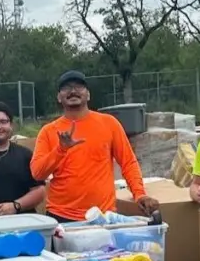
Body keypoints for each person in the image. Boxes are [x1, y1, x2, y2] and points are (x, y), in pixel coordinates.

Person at [30, 70, 159, 222]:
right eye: (66, 88)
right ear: (59, 97)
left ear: (88, 95)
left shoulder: (109, 124)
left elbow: (128, 162)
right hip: (61, 216)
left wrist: (139, 194)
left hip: (103, 216)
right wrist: (61, 149)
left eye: (79, 87)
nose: (73, 91)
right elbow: (37, 173)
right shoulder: (49, 131)